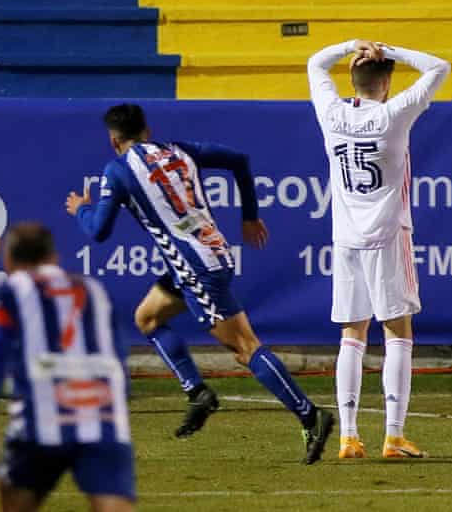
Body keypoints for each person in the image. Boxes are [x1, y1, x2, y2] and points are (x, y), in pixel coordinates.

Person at [66, 104, 334, 464]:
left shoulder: (117, 170)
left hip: (195, 268)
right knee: (147, 318)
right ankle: (197, 392)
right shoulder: (179, 150)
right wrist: (250, 215)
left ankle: (310, 415)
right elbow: (239, 159)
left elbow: (98, 230)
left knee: (245, 348)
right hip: (208, 255)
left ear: (114, 140)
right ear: (147, 131)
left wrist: (81, 208)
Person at [307, 39, 449, 459]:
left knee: (351, 333)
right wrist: (392, 49)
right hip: (389, 235)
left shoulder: (331, 113)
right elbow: (438, 65)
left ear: (352, 80)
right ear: (386, 83)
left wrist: (354, 44)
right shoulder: (392, 115)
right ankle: (393, 434)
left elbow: (316, 61)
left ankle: (349, 436)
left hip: (346, 238)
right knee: (397, 330)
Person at [0, 222, 134, 512]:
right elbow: (118, 354)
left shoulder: (6, 293)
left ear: (8, 261)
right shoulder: (95, 289)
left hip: (40, 419)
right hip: (101, 413)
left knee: (15, 497)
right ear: (54, 258)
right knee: (113, 505)